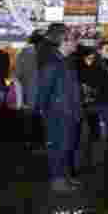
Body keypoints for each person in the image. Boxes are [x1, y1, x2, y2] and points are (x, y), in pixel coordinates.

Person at [36, 24, 82, 193]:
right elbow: (43, 91)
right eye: (73, 39)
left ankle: (65, 178)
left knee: (68, 146)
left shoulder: (66, 61)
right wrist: (44, 111)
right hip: (59, 113)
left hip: (70, 111)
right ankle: (58, 180)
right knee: (59, 146)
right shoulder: (52, 62)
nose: (76, 42)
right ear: (64, 41)